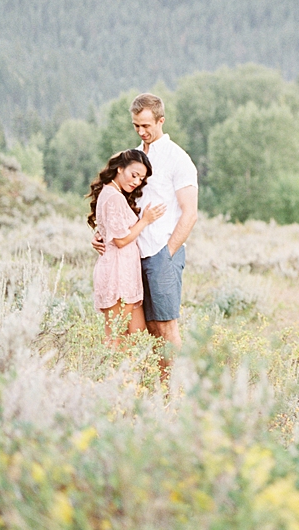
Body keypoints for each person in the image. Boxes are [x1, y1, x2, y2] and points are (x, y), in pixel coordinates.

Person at [93, 93, 198, 381]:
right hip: (130, 257)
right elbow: (114, 202)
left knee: (165, 327)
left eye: (146, 126)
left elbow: (190, 214)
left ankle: (174, 391)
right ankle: (153, 390)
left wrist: (168, 252)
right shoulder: (134, 158)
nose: (141, 132)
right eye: (136, 126)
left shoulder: (178, 159)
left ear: (161, 121)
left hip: (161, 254)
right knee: (146, 330)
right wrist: (101, 234)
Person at [86, 149, 165, 347]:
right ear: (120, 169)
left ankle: (131, 378)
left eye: (141, 178)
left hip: (126, 273)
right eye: (134, 175)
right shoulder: (113, 196)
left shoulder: (115, 194)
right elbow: (120, 240)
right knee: (116, 336)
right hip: (117, 273)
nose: (137, 182)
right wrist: (145, 220)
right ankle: (110, 378)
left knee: (136, 337)